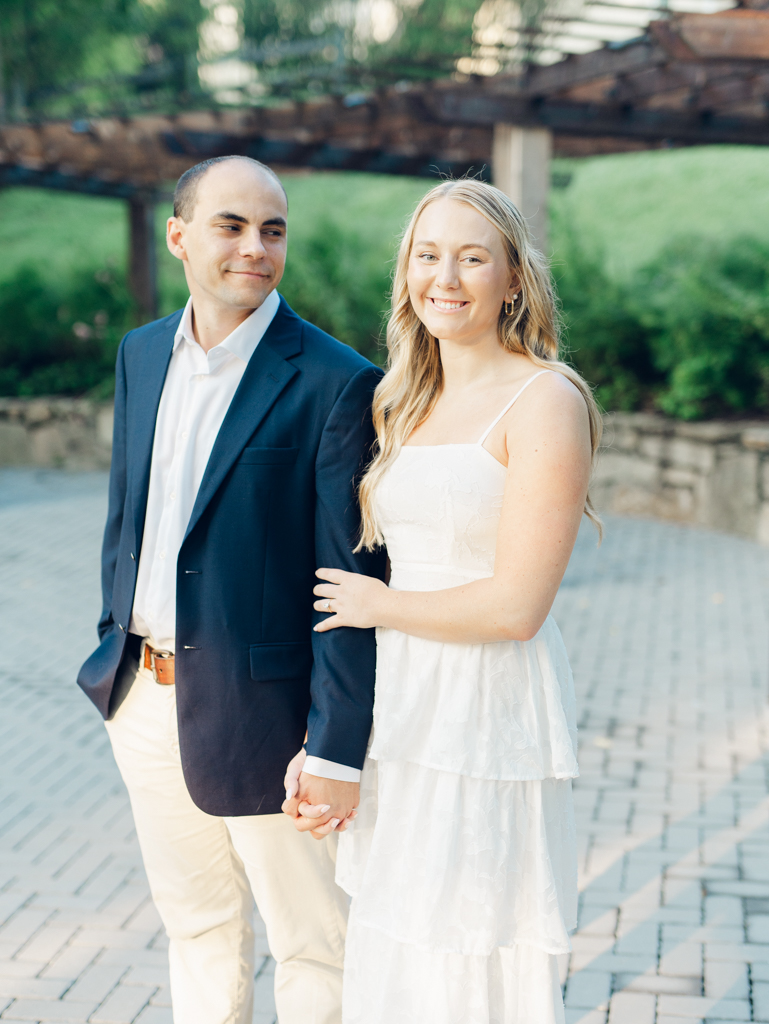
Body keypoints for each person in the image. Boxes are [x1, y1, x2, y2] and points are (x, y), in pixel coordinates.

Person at [284, 178, 602, 1024]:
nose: (446, 278)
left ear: (512, 278)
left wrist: (380, 607)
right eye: (428, 256)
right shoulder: (397, 402)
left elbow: (516, 608)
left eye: (471, 257)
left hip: (487, 710)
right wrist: (329, 742)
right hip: (401, 702)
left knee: (470, 938)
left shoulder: (545, 399)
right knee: (394, 933)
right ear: (406, 274)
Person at [77, 154, 385, 1024]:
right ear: (179, 235)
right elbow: (127, 519)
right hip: (144, 700)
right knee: (198, 930)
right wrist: (115, 644)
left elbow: (348, 580)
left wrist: (331, 746)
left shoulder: (335, 381)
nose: (256, 247)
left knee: (313, 944)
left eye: (273, 229)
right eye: (232, 225)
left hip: (271, 722)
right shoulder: (141, 354)